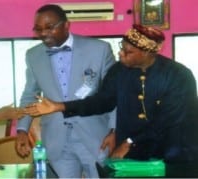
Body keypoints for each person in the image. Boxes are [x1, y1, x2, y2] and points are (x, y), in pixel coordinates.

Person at [25, 24, 198, 164]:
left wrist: (129, 142)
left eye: (128, 52)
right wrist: (60, 106)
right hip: (135, 152)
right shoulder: (119, 71)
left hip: (174, 152)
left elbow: (166, 121)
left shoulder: (179, 76)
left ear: (146, 52)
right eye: (121, 48)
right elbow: (102, 102)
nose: (120, 54)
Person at [15, 4, 117, 178]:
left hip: (95, 136)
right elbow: (29, 96)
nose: (43, 33)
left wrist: (114, 130)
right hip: (57, 138)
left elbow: (114, 94)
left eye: (49, 27)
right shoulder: (33, 55)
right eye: (38, 29)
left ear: (66, 25)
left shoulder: (99, 49)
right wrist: (22, 130)